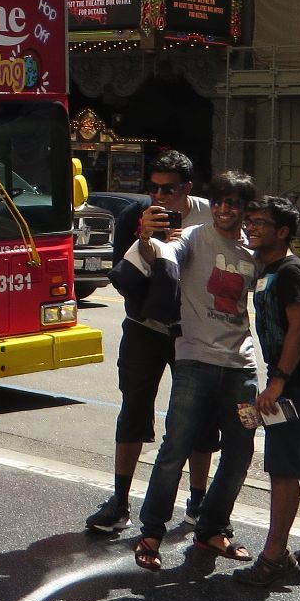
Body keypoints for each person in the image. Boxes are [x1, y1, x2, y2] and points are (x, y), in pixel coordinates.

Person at [129, 171, 261, 571]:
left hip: (242, 366)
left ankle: (213, 527)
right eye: (219, 201)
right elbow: (157, 258)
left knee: (239, 454)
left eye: (234, 203)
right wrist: (147, 240)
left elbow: (274, 301)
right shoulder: (191, 236)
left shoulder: (253, 252)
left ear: (244, 209)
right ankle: (152, 531)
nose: (225, 209)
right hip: (193, 360)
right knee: (175, 450)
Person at [87, 151, 215, 533]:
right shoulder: (136, 217)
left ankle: (198, 501)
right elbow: (125, 276)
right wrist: (147, 240)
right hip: (145, 326)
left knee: (200, 418)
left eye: (170, 189)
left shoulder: (211, 216)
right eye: (154, 188)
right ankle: (120, 502)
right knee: (133, 410)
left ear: (188, 188)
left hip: (193, 330)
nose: (161, 197)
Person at [235, 196, 300, 586]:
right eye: (251, 220)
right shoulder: (270, 269)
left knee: (283, 468)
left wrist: (277, 381)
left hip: (299, 381)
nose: (252, 227)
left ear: (282, 231)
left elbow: (298, 329)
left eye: (261, 222)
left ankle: (274, 556)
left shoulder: (292, 271)